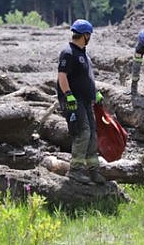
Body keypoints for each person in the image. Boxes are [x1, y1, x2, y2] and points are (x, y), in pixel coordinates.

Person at [56, 19, 106, 184]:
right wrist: (68, 95)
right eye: (89, 35)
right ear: (85, 35)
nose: (89, 38)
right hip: (73, 100)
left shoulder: (83, 53)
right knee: (82, 132)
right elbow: (62, 76)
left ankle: (94, 171)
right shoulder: (68, 52)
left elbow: (87, 78)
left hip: (85, 100)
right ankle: (75, 171)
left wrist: (96, 92)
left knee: (92, 133)